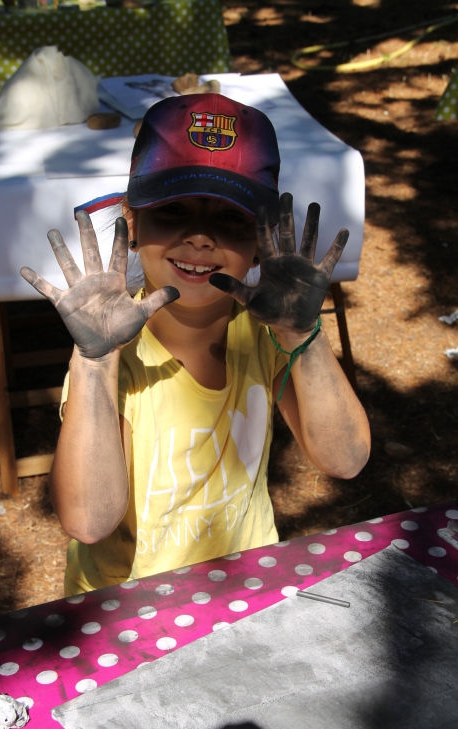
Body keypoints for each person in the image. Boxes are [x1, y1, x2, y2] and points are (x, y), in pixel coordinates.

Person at [21, 92, 370, 595]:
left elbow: (347, 458)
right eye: (173, 210)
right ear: (133, 223)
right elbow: (89, 520)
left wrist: (301, 335)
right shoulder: (113, 350)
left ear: (260, 240)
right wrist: (94, 364)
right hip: (127, 608)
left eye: (230, 219)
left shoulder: (265, 331)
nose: (200, 238)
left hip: (246, 588)